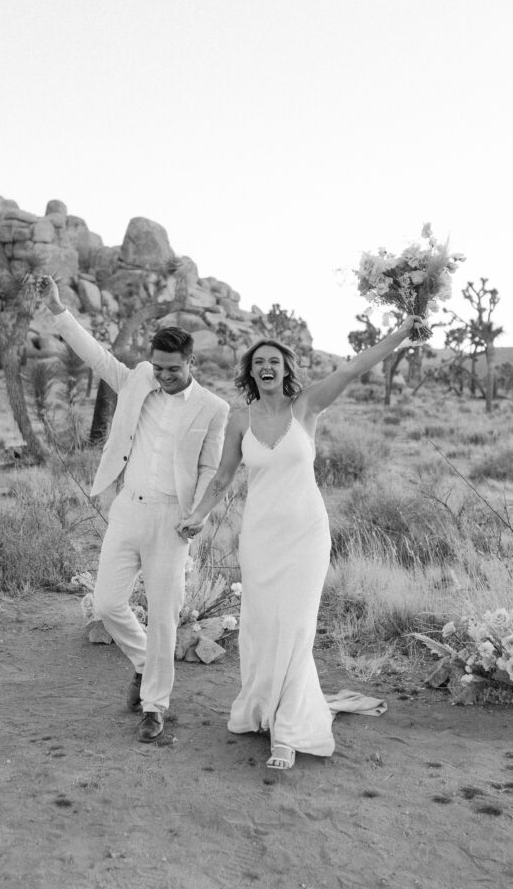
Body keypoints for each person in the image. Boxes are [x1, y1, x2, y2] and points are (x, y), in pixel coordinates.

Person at [177, 316, 422, 770]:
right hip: (260, 536)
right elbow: (224, 477)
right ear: (250, 372)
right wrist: (197, 515)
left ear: (286, 369)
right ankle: (262, 709)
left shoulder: (307, 406)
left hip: (306, 535)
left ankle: (288, 731)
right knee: (261, 627)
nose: (266, 366)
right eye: (259, 362)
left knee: (294, 628)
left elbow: (353, 368)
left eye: (275, 361)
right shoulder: (238, 420)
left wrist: (404, 331)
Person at [38, 276, 229, 743]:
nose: (163, 376)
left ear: (191, 362)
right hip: (128, 510)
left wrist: (198, 514)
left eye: (172, 369)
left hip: (173, 521)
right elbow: (98, 355)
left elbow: (210, 467)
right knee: (106, 603)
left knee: (165, 615)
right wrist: (61, 311)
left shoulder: (212, 407)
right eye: (158, 367)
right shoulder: (139, 379)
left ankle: (155, 706)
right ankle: (145, 664)